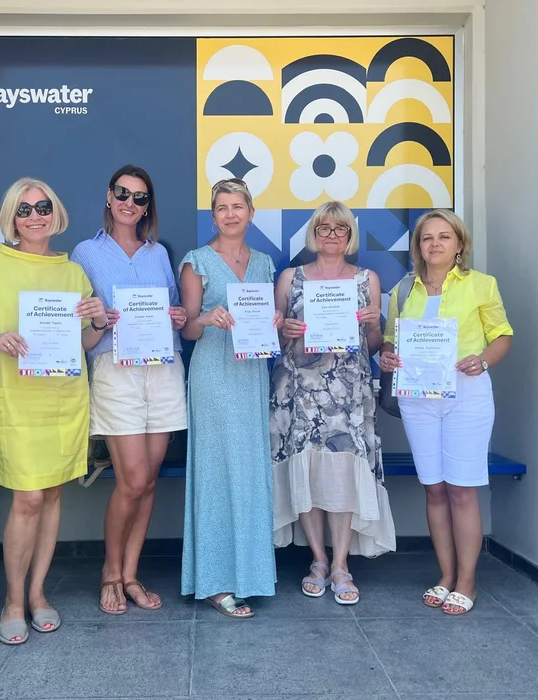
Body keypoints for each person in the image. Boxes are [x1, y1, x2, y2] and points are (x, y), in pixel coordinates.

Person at [0, 178, 107, 644]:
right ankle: (12, 600)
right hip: (14, 399)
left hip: (63, 399)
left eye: (43, 207)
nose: (34, 216)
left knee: (50, 496)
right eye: (24, 209)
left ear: (55, 213)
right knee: (27, 497)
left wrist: (98, 319)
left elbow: (85, 342)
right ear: (11, 217)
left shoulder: (72, 273)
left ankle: (37, 593)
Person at [379, 209, 513, 615]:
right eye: (427, 238)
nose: (435, 244)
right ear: (418, 247)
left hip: (467, 397)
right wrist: (388, 357)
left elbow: (502, 336)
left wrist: (483, 361)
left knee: (461, 490)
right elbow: (390, 341)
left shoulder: (482, 285)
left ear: (459, 245)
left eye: (444, 236)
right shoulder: (404, 290)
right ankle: (446, 575)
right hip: (418, 401)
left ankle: (467, 581)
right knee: (434, 489)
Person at [71, 165, 188, 615]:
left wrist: (177, 316)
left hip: (163, 369)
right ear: (109, 196)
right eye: (123, 193)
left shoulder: (159, 253)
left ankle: (131, 575)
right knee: (132, 480)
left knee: (149, 481)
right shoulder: (85, 253)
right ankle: (110, 573)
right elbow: (80, 326)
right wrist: (99, 319)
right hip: (114, 370)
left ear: (147, 206)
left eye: (140, 197)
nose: (129, 203)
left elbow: (173, 310)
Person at [270, 201, 396, 606]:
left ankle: (341, 563)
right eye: (324, 228)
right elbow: (271, 340)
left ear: (350, 236)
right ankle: (318, 560)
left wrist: (373, 325)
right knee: (306, 470)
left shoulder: (367, 279)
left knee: (342, 472)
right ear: (313, 234)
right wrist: (285, 331)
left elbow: (371, 345)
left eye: (340, 229)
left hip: (348, 393)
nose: (331, 235)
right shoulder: (290, 278)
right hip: (298, 390)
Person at [178, 178, 282, 618]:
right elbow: (187, 329)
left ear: (251, 213)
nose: (230, 214)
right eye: (222, 207)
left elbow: (267, 322)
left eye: (238, 206)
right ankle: (215, 581)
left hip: (251, 375)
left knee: (249, 472)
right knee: (216, 472)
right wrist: (207, 318)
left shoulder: (264, 263)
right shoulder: (197, 261)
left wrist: (276, 320)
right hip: (213, 373)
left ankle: (250, 575)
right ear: (213, 215)